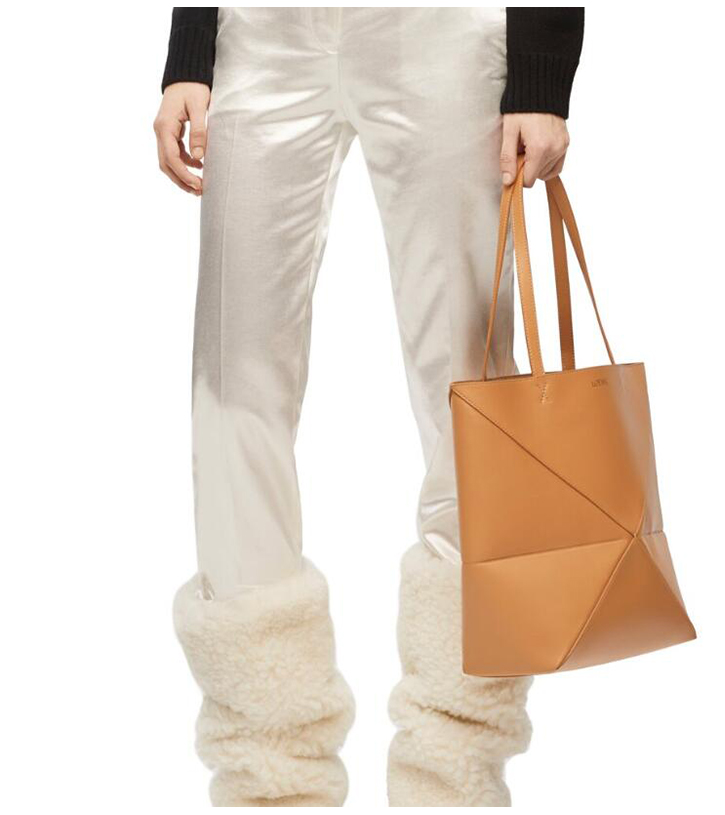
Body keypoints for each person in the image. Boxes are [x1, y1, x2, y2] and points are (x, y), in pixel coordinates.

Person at [154, 7, 583, 807]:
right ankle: (268, 775)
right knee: (231, 383)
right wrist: (191, 49)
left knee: (470, 387)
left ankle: (453, 767)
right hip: (261, 31)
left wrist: (542, 69)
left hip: (442, 28)